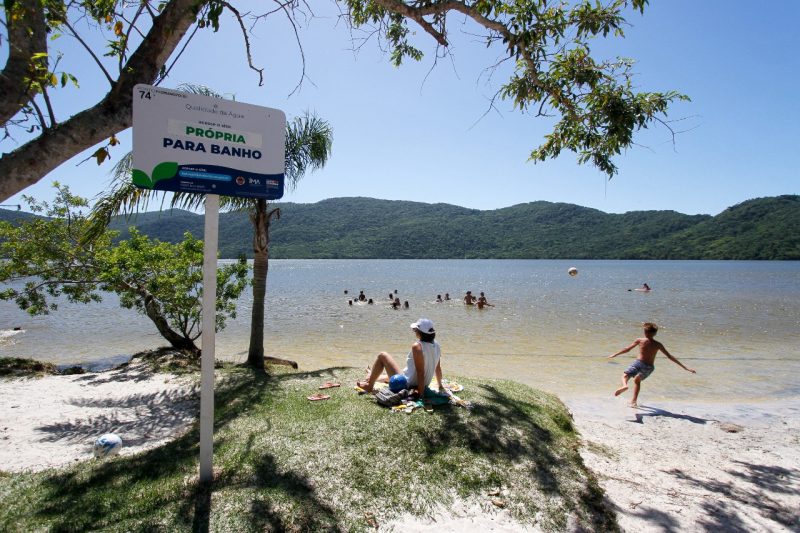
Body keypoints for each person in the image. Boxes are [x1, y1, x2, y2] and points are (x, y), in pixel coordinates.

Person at [607, 322, 696, 407]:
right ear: (655, 333)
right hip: (649, 367)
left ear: (645, 332)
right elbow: (670, 356)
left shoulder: (640, 340)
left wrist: (615, 354)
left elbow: (627, 349)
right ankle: (633, 402)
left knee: (625, 375)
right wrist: (685, 368)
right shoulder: (658, 344)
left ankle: (624, 386)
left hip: (639, 363)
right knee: (637, 381)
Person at [357, 318, 444, 398]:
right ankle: (371, 374)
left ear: (420, 332)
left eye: (415, 330)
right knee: (388, 376)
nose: (414, 332)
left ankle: (369, 386)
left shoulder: (418, 346)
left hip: (406, 384)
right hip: (423, 384)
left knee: (382, 355)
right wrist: (440, 386)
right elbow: (438, 368)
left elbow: (420, 372)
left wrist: (420, 395)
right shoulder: (437, 345)